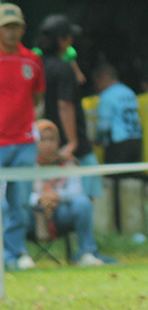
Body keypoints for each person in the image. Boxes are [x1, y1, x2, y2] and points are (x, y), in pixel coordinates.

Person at [34, 15, 101, 200]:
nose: (72, 42)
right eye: (69, 37)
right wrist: (72, 142)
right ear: (61, 40)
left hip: (44, 139)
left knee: (47, 194)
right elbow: (65, 105)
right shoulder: (63, 68)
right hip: (67, 141)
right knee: (87, 192)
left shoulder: (37, 65)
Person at [0, 3, 45, 271]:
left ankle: (16, 252)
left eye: (15, 26)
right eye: (6, 27)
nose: (11, 31)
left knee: (19, 201)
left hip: (24, 142)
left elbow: (38, 97)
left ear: (23, 28)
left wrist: (29, 124)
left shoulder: (32, 60)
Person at [31, 119, 107, 266]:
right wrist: (40, 199)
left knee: (83, 202)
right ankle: (17, 256)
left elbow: (76, 191)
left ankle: (86, 253)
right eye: (42, 139)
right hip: (32, 216)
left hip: (61, 213)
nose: (48, 144)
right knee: (11, 209)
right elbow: (13, 193)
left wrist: (57, 196)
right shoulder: (24, 163)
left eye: (52, 139)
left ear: (58, 141)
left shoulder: (68, 163)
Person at [93, 63, 142, 164]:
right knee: (132, 176)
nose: (96, 85)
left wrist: (98, 139)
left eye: (96, 81)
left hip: (118, 142)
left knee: (113, 176)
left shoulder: (107, 95)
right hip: (136, 139)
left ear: (103, 78)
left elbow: (104, 125)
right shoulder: (129, 92)